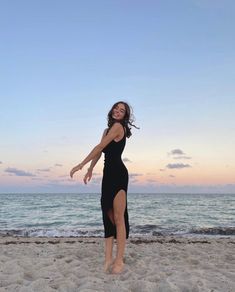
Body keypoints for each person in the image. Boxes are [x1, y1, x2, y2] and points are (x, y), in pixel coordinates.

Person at [70, 101, 138, 274]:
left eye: (122, 111)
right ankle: (108, 259)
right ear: (112, 110)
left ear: (124, 116)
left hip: (119, 176)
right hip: (107, 177)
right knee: (108, 217)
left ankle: (119, 260)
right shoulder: (106, 131)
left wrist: (81, 164)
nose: (118, 111)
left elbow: (99, 146)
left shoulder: (117, 127)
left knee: (119, 218)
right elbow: (101, 151)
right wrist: (91, 169)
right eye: (116, 108)